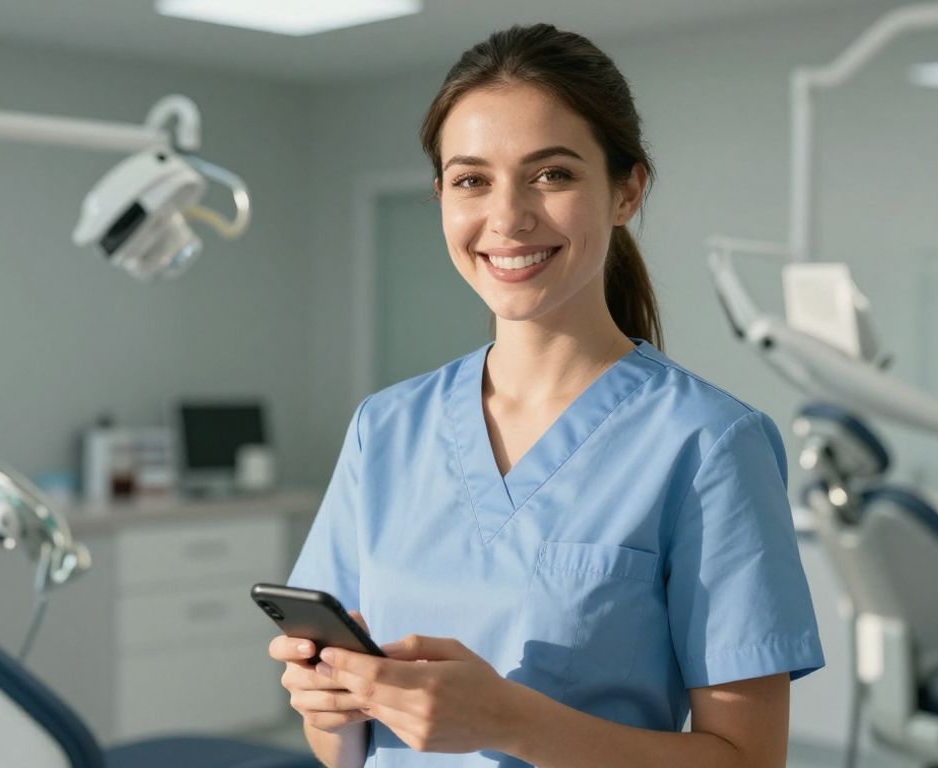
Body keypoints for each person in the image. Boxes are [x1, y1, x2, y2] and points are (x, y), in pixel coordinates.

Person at [268, 23, 824, 768]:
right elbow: (345, 753)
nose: (508, 217)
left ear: (626, 190)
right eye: (472, 179)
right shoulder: (386, 429)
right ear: (441, 197)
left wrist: (513, 722)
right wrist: (330, 711)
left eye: (552, 174)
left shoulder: (707, 444)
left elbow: (749, 761)